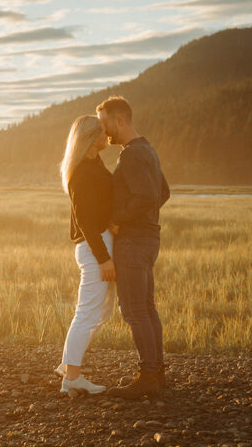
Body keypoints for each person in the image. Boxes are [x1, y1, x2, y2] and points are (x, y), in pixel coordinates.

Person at [96, 96, 170, 399]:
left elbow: (149, 197)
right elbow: (163, 192)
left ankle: (148, 376)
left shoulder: (131, 156)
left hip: (134, 241)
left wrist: (118, 222)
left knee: (134, 310)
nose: (104, 132)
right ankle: (156, 371)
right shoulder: (146, 150)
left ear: (120, 120)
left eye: (104, 124)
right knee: (146, 308)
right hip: (149, 238)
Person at [54, 115, 117, 395]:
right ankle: (72, 378)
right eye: (102, 132)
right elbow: (86, 222)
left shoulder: (93, 164)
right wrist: (103, 258)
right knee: (87, 313)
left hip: (98, 245)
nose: (107, 135)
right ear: (92, 138)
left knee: (100, 311)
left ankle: (68, 367)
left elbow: (99, 208)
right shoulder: (82, 172)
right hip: (95, 248)